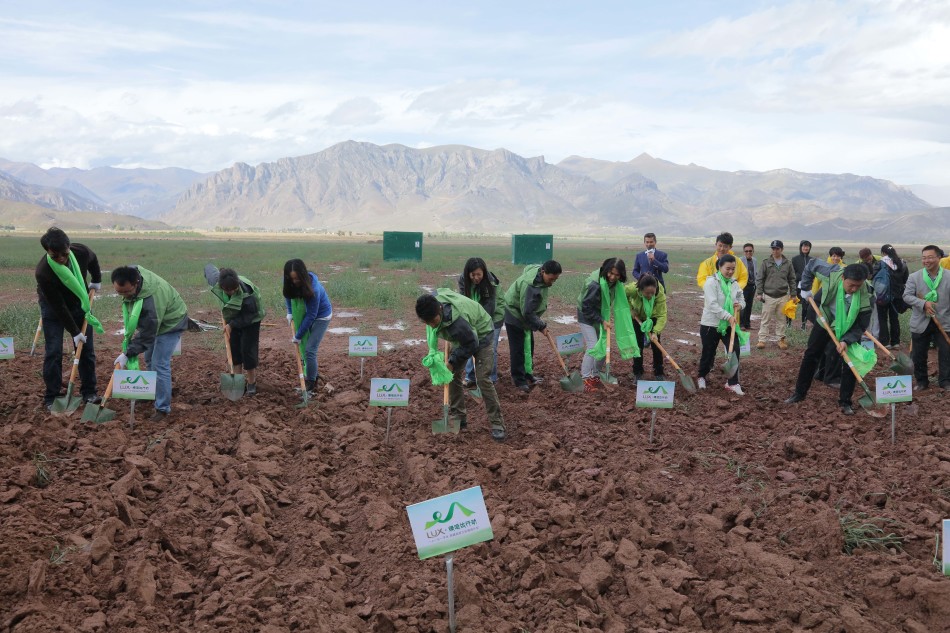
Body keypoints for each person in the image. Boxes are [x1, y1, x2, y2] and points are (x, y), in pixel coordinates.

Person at [416, 290, 506, 441]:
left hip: (482, 334)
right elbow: (442, 291)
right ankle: (459, 417)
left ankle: (498, 424)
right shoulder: (432, 302)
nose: (431, 326)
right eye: (427, 322)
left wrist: (452, 361)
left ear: (440, 310)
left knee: (483, 379)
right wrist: (451, 365)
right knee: (451, 375)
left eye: (433, 321)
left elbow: (472, 344)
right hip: (462, 336)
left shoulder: (458, 323)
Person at [785, 263, 873, 415]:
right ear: (843, 277)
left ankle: (845, 402)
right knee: (811, 355)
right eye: (851, 285)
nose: (854, 290)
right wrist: (805, 288)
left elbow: (861, 324)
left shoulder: (867, 294)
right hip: (825, 320)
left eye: (858, 286)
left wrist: (847, 340)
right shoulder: (831, 274)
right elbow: (811, 265)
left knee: (850, 363)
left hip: (849, 327)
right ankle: (799, 394)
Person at [34, 227, 104, 410]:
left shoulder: (80, 251)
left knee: (86, 350)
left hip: (79, 303)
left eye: (64, 254)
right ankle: (52, 395)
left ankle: (89, 392)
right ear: (48, 252)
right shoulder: (43, 272)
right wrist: (74, 332)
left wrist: (96, 278)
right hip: (53, 308)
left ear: (69, 247)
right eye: (55, 256)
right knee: (54, 351)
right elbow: (58, 307)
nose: (61, 259)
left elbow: (93, 258)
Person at [112, 265, 189, 422]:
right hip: (156, 322)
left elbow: (148, 334)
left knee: (159, 363)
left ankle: (162, 408)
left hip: (171, 322)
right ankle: (149, 392)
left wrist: (127, 353)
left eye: (127, 292)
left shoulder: (151, 301)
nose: (124, 296)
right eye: (120, 293)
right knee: (149, 359)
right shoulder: (132, 275)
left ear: (136, 283)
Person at [577, 258, 639, 391]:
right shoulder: (595, 284)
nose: (613, 277)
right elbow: (586, 307)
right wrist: (601, 320)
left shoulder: (616, 284)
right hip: (586, 315)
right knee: (593, 345)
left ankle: (595, 374)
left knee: (604, 345)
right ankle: (585, 379)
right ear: (605, 270)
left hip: (600, 315)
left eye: (617, 275)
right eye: (611, 273)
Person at [504, 260, 561, 392]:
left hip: (524, 313)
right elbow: (527, 312)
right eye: (551, 279)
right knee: (518, 349)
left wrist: (538, 324)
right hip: (513, 312)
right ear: (543, 272)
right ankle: (519, 380)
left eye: (555, 279)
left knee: (529, 345)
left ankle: (528, 374)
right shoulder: (531, 285)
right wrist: (541, 326)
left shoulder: (539, 273)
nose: (552, 282)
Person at [210, 267, 266, 396]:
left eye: (234, 289)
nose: (232, 292)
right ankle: (238, 383)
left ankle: (252, 382)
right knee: (234, 349)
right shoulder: (218, 282)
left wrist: (231, 325)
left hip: (251, 319)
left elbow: (249, 315)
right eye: (228, 290)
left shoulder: (247, 293)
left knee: (248, 350)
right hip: (233, 317)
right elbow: (209, 270)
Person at [903, 245, 950, 390]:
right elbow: (906, 296)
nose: (926, 261)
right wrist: (923, 303)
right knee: (918, 354)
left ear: (939, 258)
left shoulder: (948, 276)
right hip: (920, 322)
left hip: (944, 320)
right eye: (924, 258)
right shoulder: (914, 277)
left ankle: (945, 381)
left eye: (930, 257)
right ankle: (921, 381)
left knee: (946, 353)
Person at [698, 254, 746, 395]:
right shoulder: (711, 283)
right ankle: (702, 376)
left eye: (733, 269)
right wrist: (728, 316)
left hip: (729, 324)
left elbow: (741, 298)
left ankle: (732, 382)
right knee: (708, 352)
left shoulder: (734, 283)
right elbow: (712, 305)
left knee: (735, 349)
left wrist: (740, 305)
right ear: (720, 267)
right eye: (727, 269)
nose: (730, 272)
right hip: (711, 324)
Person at [283, 259, 332, 395]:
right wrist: (290, 312)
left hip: (321, 316)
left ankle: (311, 384)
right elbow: (288, 294)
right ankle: (313, 374)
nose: (294, 282)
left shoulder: (314, 289)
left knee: (310, 350)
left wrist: (298, 336)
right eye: (291, 279)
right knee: (306, 349)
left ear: (303, 275)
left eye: (297, 279)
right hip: (306, 313)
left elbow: (311, 315)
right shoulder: (288, 281)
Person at [456, 257, 504, 389]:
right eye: (473, 274)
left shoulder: (490, 281)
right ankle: (471, 377)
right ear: (468, 273)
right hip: (474, 316)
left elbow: (490, 307)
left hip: (493, 316)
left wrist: (479, 325)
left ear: (484, 272)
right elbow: (462, 301)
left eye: (479, 274)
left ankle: (490, 379)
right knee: (472, 345)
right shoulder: (463, 280)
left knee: (489, 347)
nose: (476, 278)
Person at [755, 240, 797, 350]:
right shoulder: (766, 262)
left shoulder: (788, 263)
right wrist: (759, 293)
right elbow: (760, 278)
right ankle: (762, 340)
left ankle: (781, 339)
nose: (775, 250)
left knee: (781, 319)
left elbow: (792, 279)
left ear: (781, 249)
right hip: (768, 296)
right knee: (765, 319)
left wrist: (793, 294)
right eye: (773, 248)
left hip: (783, 295)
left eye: (777, 248)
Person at [625, 273, 667, 382]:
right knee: (638, 345)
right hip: (637, 316)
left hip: (652, 317)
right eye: (647, 293)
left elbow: (662, 315)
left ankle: (659, 372)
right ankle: (637, 372)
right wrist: (630, 309)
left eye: (652, 293)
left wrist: (655, 332)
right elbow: (622, 295)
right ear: (640, 289)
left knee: (656, 345)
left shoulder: (659, 293)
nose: (650, 296)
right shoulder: (633, 289)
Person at [874, 244, 909, 349]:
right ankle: (896, 342)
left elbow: (873, 276)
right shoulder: (902, 263)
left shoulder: (880, 263)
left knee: (882, 318)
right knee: (894, 318)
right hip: (897, 296)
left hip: (882, 296)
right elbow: (905, 279)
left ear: (883, 253)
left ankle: (885, 342)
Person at [791, 240, 814, 330]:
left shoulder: (811, 260)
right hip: (797, 285)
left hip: (807, 286)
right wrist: (800, 276)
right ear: (801, 247)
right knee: (792, 304)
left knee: (806, 306)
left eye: (807, 246)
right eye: (804, 246)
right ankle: (789, 323)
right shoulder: (795, 259)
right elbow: (792, 272)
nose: (805, 248)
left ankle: (803, 324)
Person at [740, 243, 757, 330]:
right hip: (743, 286)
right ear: (744, 252)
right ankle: (741, 324)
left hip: (752, 286)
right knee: (743, 305)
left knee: (749, 305)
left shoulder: (755, 260)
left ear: (753, 251)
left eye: (750, 251)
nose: (748, 252)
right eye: (746, 251)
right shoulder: (740, 260)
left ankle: (747, 324)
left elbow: (755, 273)